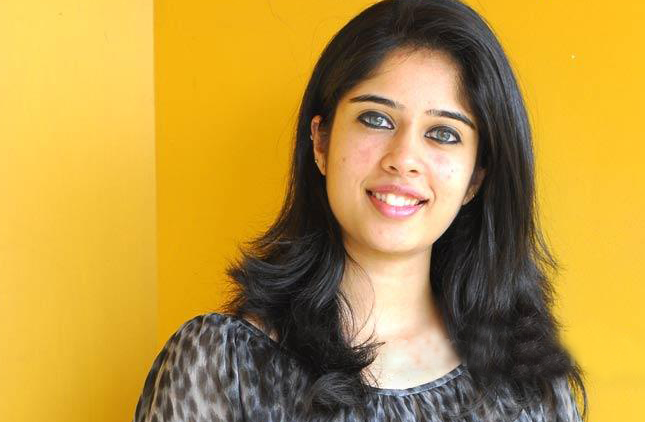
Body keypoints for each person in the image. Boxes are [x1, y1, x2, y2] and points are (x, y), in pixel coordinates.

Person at [133, 0, 588, 420]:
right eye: (376, 119)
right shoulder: (222, 365)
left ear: (475, 177)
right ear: (321, 141)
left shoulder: (530, 387)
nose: (403, 158)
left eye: (443, 133)